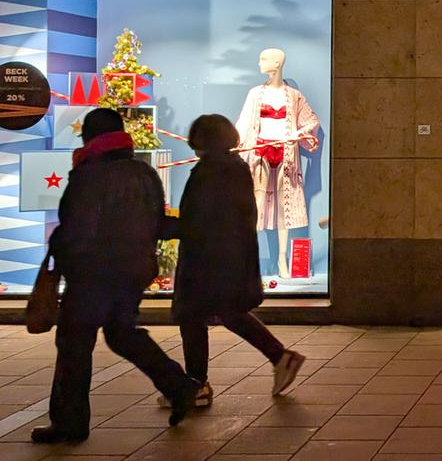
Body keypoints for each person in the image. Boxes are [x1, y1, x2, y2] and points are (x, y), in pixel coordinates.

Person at [36, 108, 200, 443]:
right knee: (121, 333)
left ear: (90, 138)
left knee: (74, 344)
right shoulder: (143, 172)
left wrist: (60, 258)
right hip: (133, 270)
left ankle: (70, 423)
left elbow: (77, 228)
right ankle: (179, 385)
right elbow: (156, 221)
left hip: (94, 273)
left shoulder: (89, 174)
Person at [161, 114, 306, 409]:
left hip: (206, 260)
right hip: (229, 256)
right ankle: (278, 357)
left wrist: (160, 225)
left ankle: (197, 384)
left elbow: (195, 221)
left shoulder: (208, 172)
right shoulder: (235, 167)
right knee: (227, 312)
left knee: (194, 318)